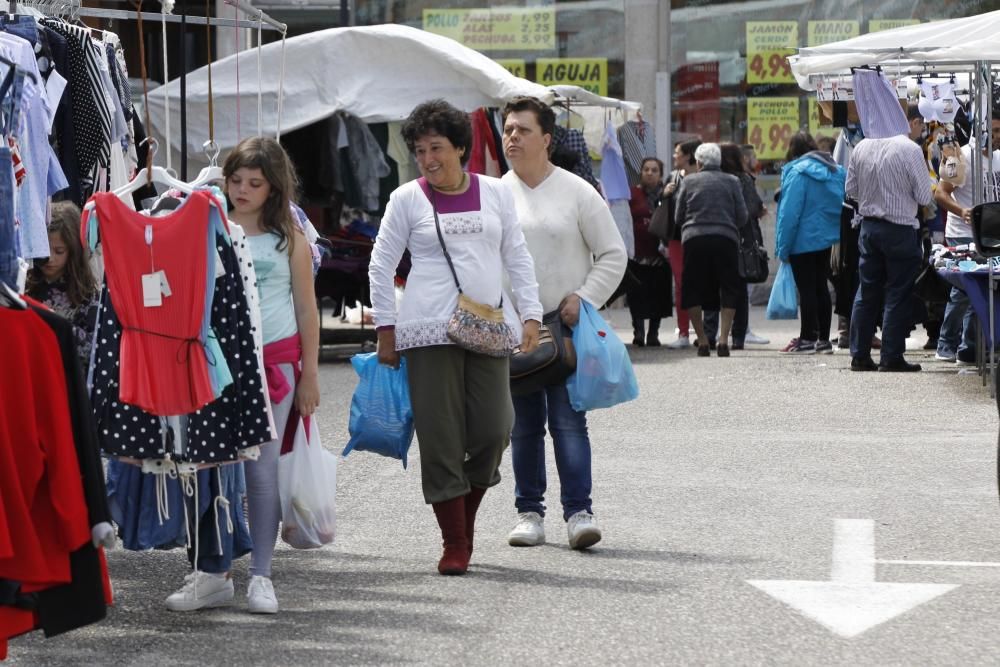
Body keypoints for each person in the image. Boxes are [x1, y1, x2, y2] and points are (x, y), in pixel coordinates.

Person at [369, 99, 542, 575]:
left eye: (437, 147)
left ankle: (461, 519)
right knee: (442, 438)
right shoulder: (407, 199)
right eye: (420, 150)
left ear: (461, 148)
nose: (429, 158)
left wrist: (530, 314)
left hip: (487, 326)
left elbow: (517, 256)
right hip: (426, 331)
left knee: (494, 429)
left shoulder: (495, 193)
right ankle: (455, 542)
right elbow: (381, 263)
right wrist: (386, 327)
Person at [500, 96, 626, 550]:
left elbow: (614, 254)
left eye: (523, 130)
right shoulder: (497, 194)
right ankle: (529, 512)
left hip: (566, 326)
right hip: (515, 328)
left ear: (547, 139)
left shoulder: (577, 191)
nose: (512, 137)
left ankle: (579, 512)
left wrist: (584, 298)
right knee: (523, 425)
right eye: (508, 129)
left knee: (570, 422)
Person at [223, 136, 320, 612]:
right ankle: (212, 568)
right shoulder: (211, 228)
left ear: (273, 187)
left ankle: (261, 574)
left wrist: (310, 377)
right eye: (235, 180)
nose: (242, 189)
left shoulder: (291, 239)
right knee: (214, 474)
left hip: (276, 365)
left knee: (261, 474)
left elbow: (308, 311)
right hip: (216, 365)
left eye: (254, 183)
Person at [847, 121, 933, 373]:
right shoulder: (909, 149)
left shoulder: (861, 146)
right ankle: (891, 356)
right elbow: (924, 197)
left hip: (869, 228)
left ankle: (859, 355)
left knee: (867, 291)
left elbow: (850, 190)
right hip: (899, 229)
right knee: (898, 292)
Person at [932, 112, 1000, 364]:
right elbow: (940, 193)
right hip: (962, 234)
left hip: (990, 236)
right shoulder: (960, 157)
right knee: (962, 293)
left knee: (982, 292)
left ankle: (968, 348)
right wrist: (962, 211)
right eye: (992, 131)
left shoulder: (998, 158)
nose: (996, 137)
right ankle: (946, 344)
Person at [673, 142, 748, 357]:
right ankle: (724, 339)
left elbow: (678, 216)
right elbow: (742, 216)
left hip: (694, 240)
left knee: (693, 288)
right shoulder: (732, 181)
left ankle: (704, 340)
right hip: (725, 239)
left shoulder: (688, 181)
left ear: (698, 162)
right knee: (728, 288)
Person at [774, 132, 846, 354]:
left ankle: (807, 338)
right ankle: (823, 339)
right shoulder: (834, 170)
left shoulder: (796, 172)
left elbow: (789, 214)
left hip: (800, 241)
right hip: (826, 239)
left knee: (806, 291)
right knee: (821, 288)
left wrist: (782, 247)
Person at [26, 201, 98, 372]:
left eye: (59, 251)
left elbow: (92, 348)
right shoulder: (24, 283)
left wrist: (57, 325)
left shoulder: (86, 294)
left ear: (73, 251)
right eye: (44, 250)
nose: (50, 258)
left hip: (65, 380)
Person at [718, 143, 764, 350]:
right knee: (739, 288)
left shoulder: (716, 178)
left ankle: (716, 333)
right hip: (742, 237)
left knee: (719, 285)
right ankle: (738, 336)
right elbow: (753, 207)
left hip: (721, 235)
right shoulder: (744, 179)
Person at [627, 157, 672, 346]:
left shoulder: (667, 193)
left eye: (654, 170)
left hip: (660, 255)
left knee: (658, 295)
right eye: (646, 169)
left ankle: (654, 333)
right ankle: (638, 332)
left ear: (660, 174)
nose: (650, 173)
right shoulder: (632, 194)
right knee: (636, 295)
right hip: (637, 254)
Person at [662, 139, 701, 348]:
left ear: (688, 155)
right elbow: (664, 207)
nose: (674, 156)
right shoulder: (673, 177)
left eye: (677, 153)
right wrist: (664, 194)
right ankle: (683, 332)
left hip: (698, 236)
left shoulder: (703, 177)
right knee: (681, 284)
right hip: (677, 238)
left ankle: (705, 332)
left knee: (702, 283)